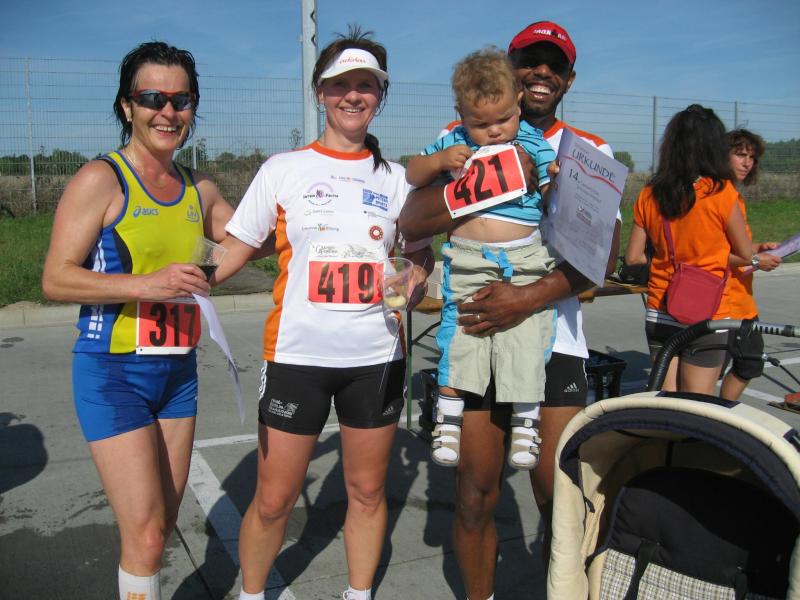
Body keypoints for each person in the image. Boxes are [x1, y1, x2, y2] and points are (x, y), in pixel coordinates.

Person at [399, 20, 621, 599]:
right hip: (476, 325)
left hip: (553, 339)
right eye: (530, 60)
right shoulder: (457, 137)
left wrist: (524, 299)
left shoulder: (587, 151)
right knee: (476, 491)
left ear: (569, 78)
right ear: (511, 71)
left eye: (556, 64)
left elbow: (602, 258)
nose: (542, 72)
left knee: (559, 496)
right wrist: (480, 184)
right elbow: (412, 220)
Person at [211, 26, 433, 600]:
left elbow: (419, 256)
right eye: (340, 85)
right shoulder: (283, 169)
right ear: (320, 92)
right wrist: (176, 282)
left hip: (375, 360)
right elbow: (235, 249)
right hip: (297, 359)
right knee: (274, 499)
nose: (353, 96)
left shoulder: (398, 180)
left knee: (367, 493)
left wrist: (414, 279)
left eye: (366, 85)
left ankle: (358, 594)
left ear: (380, 94)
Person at [41, 41, 234, 600]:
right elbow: (56, 278)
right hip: (113, 372)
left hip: (177, 373)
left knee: (163, 525)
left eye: (181, 100)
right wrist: (147, 285)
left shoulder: (200, 188)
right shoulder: (102, 179)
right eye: (152, 98)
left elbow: (250, 240)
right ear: (127, 106)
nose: (167, 112)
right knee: (146, 536)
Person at [406, 47, 557, 471]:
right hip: (469, 257)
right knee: (459, 333)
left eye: (503, 119)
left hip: (524, 256)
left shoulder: (533, 141)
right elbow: (413, 173)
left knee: (526, 338)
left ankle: (526, 422)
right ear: (461, 115)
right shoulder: (455, 140)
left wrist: (554, 184)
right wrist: (438, 161)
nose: (493, 131)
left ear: (518, 103)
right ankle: (448, 419)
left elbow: (553, 195)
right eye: (481, 123)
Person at [624, 105, 753, 394]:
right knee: (696, 405)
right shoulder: (722, 193)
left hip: (660, 308)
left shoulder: (649, 194)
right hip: (708, 311)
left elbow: (633, 257)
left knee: (666, 402)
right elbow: (745, 255)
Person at [719, 129, 781, 401]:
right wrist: (755, 260)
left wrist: (758, 249)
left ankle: (720, 411)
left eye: (752, 157)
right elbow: (711, 253)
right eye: (740, 155)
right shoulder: (721, 196)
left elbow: (735, 248)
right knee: (737, 363)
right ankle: (715, 413)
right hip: (725, 301)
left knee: (749, 362)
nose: (747, 163)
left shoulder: (734, 196)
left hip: (741, 299)